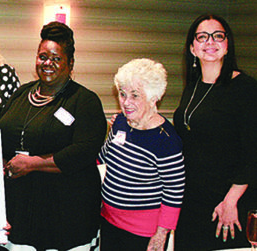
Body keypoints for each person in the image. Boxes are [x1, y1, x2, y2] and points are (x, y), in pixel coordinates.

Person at [0, 21, 106, 251]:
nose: (48, 63)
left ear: (70, 62)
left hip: (64, 213)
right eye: (43, 56)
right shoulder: (21, 93)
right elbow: (0, 132)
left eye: (56, 58)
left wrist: (33, 163)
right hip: (20, 210)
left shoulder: (84, 100)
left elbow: (83, 151)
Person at [173, 14, 257, 250]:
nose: (210, 42)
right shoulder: (193, 85)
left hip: (227, 202)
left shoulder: (246, 89)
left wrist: (231, 201)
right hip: (192, 198)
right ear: (192, 48)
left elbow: (253, 153)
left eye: (218, 36)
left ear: (227, 44)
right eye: (202, 37)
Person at [98, 59, 185, 251]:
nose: (126, 102)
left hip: (143, 232)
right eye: (122, 94)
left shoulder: (166, 140)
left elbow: (174, 189)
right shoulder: (120, 122)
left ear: (154, 98)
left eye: (135, 95)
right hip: (109, 221)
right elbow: (103, 157)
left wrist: (161, 234)